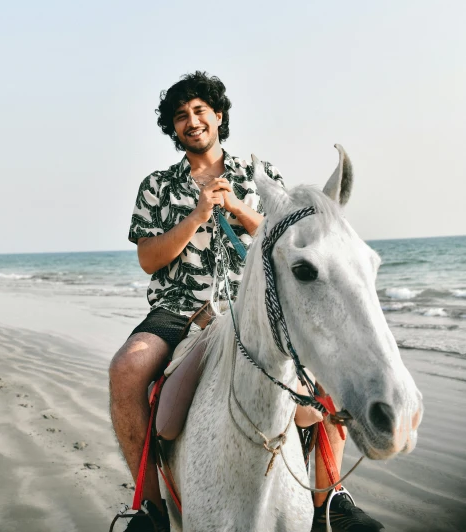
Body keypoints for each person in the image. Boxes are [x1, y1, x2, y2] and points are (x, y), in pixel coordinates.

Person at [109, 71, 383, 531]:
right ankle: (150, 508)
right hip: (181, 310)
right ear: (173, 129)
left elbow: (287, 240)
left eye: (199, 111)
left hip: (254, 307)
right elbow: (148, 259)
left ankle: (331, 498)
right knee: (126, 370)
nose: (191, 121)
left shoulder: (260, 176)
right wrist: (198, 216)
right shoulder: (157, 186)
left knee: (327, 365)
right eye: (180, 116)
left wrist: (237, 208)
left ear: (218, 116)